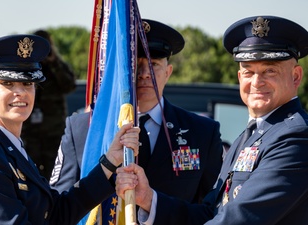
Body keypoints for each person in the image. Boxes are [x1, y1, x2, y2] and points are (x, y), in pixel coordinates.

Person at [116, 15, 308, 225]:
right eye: (248, 72)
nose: (256, 82)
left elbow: (239, 219)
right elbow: (210, 213)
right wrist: (149, 199)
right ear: (239, 77)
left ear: (296, 76)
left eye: (269, 70)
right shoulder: (253, 135)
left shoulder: (296, 137)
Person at [0, 34, 139, 225]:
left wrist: (109, 163)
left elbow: (57, 213)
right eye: (7, 83)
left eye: (28, 83)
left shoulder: (9, 147)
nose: (21, 92)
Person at [50, 19, 223, 214]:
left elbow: (213, 211)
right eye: (134, 64)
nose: (144, 74)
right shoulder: (83, 129)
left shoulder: (201, 133)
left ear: (168, 72)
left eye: (154, 64)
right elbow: (59, 209)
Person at [21, 29, 77, 179]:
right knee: (31, 171)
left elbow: (70, 85)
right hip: (31, 131)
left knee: (55, 172)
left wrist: (54, 63)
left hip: (54, 131)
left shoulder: (57, 65)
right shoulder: (26, 65)